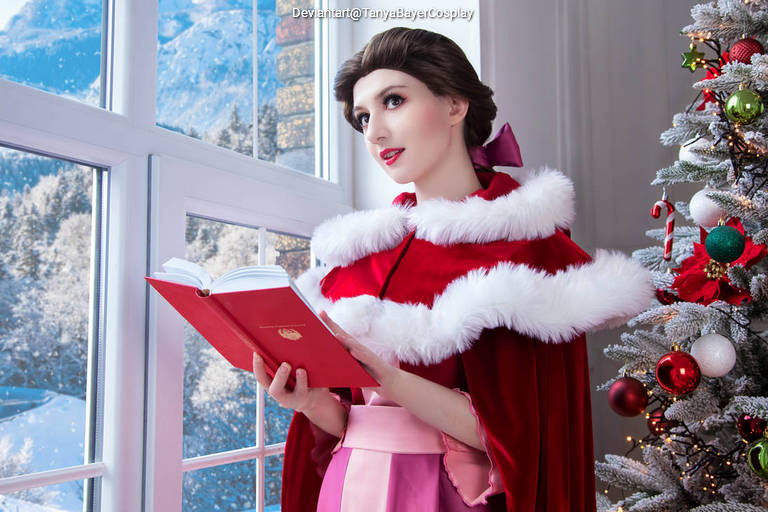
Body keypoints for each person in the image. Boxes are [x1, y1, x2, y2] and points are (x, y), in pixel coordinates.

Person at [250, 27, 654, 511]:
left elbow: (525, 438)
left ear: (454, 105)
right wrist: (310, 403)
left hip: (444, 496)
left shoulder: (527, 252)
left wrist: (390, 379)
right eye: (363, 116)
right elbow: (351, 421)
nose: (374, 131)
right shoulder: (357, 259)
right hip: (348, 488)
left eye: (393, 101)